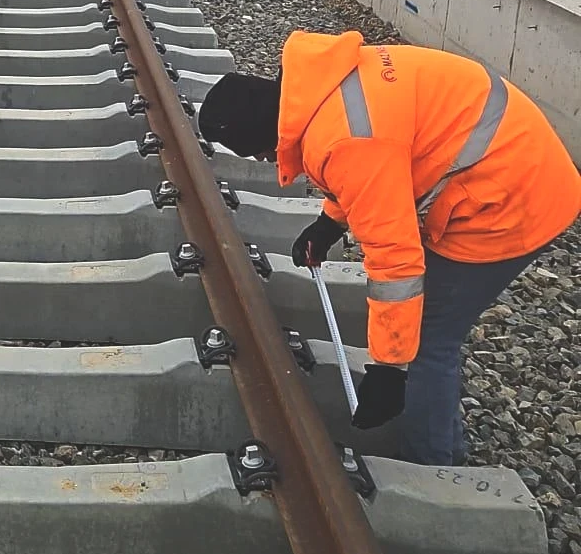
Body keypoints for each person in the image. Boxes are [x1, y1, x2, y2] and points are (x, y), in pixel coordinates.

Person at [198, 30, 581, 465]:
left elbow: (396, 262)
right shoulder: (320, 87)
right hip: (512, 156)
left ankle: (434, 468)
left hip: (513, 197)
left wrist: (388, 368)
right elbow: (383, 163)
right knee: (426, 334)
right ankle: (438, 435)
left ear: (264, 136)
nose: (266, 161)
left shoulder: (345, 142)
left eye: (258, 153)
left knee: (428, 341)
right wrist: (330, 222)